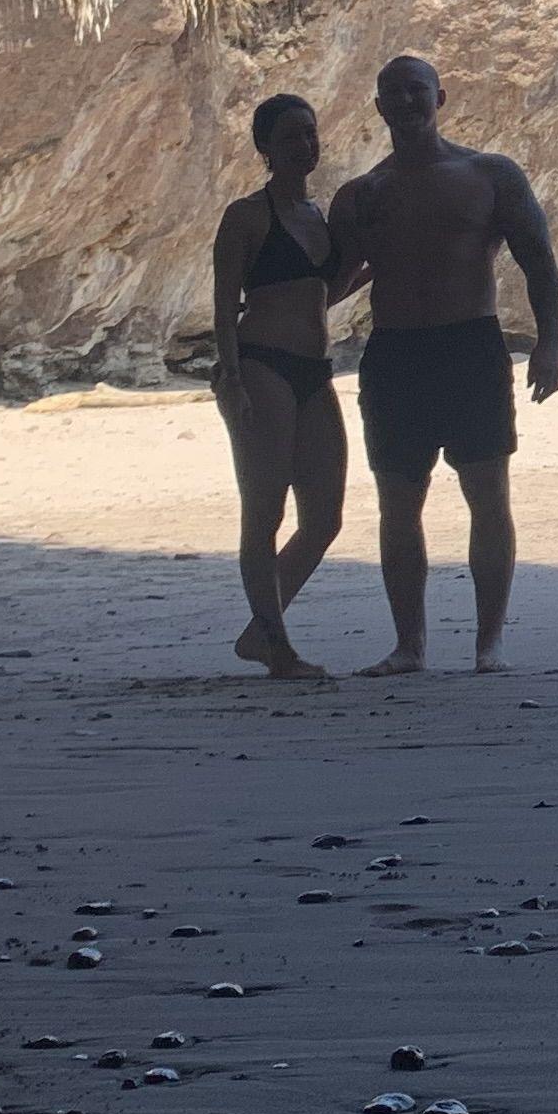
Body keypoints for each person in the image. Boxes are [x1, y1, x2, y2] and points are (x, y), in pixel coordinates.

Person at [325, 52, 558, 674]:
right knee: (398, 504)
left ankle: (489, 644)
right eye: (392, 94)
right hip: (396, 355)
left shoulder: (489, 175)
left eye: (416, 90)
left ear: (440, 98)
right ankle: (410, 646)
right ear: (378, 107)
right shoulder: (362, 195)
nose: (405, 102)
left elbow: (538, 259)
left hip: (471, 347)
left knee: (487, 496)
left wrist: (550, 342)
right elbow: (334, 281)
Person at [208, 92, 351, 676]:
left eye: (311, 133)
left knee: (324, 519)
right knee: (263, 512)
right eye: (291, 136)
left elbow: (315, 294)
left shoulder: (319, 218)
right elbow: (222, 307)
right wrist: (233, 380)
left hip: (315, 370)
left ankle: (259, 630)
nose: (305, 145)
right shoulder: (246, 216)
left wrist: (361, 276)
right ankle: (277, 645)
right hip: (259, 365)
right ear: (264, 147)